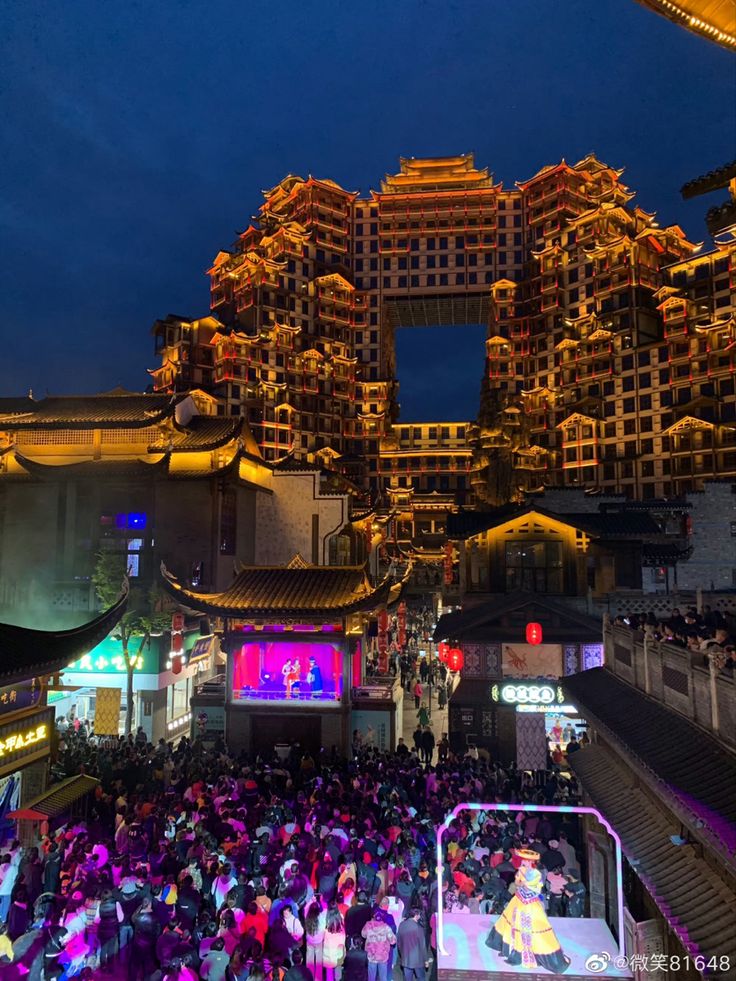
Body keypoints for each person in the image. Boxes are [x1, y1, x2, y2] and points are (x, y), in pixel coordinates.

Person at [485, 850, 570, 973]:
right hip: (519, 900)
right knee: (511, 924)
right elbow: (518, 884)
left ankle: (533, 955)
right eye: (524, 861)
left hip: (530, 903)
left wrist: (524, 882)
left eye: (527, 861)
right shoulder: (522, 871)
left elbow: (534, 888)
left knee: (533, 928)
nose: (524, 863)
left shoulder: (536, 874)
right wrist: (521, 880)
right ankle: (511, 950)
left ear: (532, 863)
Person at [361, 908, 396, 981]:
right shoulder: (386, 927)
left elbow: (363, 935)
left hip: (371, 956)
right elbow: (393, 941)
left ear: (373, 916)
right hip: (382, 956)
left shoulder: (368, 925)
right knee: (383, 978)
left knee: (371, 978)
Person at [397, 907, 428, 981]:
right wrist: (426, 960)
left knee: (407, 979)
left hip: (405, 958)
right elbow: (422, 946)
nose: (420, 916)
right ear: (416, 915)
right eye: (419, 914)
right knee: (421, 978)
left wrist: (402, 953)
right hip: (418, 960)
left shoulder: (402, 925)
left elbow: (399, 942)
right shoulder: (418, 928)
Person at [322, 902, 346, 981]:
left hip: (328, 953)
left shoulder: (325, 920)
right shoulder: (341, 918)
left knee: (329, 974)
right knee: (338, 972)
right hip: (339, 952)